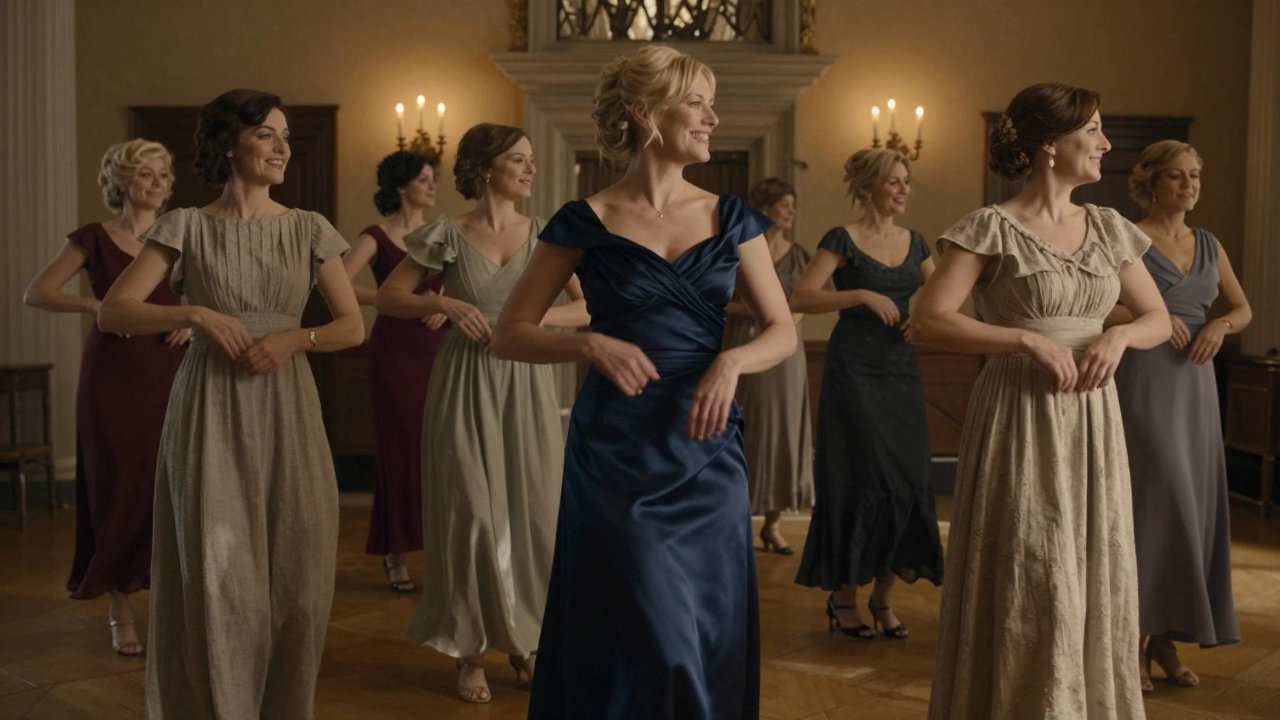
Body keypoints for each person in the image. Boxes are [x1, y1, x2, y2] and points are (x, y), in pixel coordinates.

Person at [491, 45, 796, 719]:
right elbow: (510, 332)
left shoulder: (733, 218)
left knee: (704, 628)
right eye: (697, 102)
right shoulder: (584, 221)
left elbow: (782, 329)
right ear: (644, 111)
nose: (713, 117)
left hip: (707, 447)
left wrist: (730, 362)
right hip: (617, 452)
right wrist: (589, 342)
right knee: (641, 629)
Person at [98, 89, 364, 719]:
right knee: (217, 578)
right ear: (228, 143)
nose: (282, 148)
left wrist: (293, 340)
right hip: (208, 411)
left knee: (299, 580)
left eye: (286, 137)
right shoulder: (184, 225)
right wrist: (195, 312)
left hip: (289, 410)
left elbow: (353, 326)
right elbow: (114, 311)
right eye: (268, 134)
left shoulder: (308, 228)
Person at [912, 83, 1170, 719]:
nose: (1107, 143)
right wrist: (1023, 338)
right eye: (1094, 131)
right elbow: (929, 319)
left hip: (1092, 415)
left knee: (1089, 562)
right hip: (1019, 414)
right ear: (1050, 145)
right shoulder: (989, 227)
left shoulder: (1110, 226)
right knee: (1032, 561)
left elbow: (1158, 317)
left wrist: (1121, 334)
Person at [377, 123, 588, 704]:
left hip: (527, 381)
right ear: (485, 169)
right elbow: (390, 297)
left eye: (530, 159)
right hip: (463, 383)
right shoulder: (446, 234)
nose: (530, 168)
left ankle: (530, 643)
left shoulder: (547, 234)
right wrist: (442, 300)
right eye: (518, 160)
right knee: (468, 512)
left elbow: (588, 308)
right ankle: (469, 648)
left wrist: (530, 325)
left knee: (533, 511)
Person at [23, 139, 187, 657]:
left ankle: (168, 600)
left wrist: (194, 323)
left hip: (170, 371)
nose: (157, 184)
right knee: (120, 484)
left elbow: (209, 296)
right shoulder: (94, 237)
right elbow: (38, 292)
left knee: (169, 485)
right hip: (113, 377)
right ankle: (120, 605)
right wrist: (96, 302)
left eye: (163, 175)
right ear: (121, 182)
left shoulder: (179, 238)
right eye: (146, 175)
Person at [1111, 140, 1250, 690]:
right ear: (1151, 182)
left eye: (1195, 176)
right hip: (1145, 377)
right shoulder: (1125, 237)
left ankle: (1165, 640)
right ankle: (1129, 643)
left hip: (1196, 384)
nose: (1189, 186)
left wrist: (1220, 326)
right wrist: (1147, 314)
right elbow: (1097, 301)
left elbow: (1241, 307)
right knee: (1154, 502)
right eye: (1176, 176)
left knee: (1191, 506)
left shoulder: (1209, 243)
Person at [791, 147, 944, 640]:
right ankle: (843, 597)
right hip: (852, 369)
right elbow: (801, 296)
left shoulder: (917, 242)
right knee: (862, 476)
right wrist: (858, 294)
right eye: (894, 182)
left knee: (905, 480)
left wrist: (924, 321)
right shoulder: (843, 239)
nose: (903, 191)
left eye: (907, 182)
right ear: (869, 187)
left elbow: (943, 299)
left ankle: (883, 598)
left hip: (899, 369)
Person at [342, 150, 447, 593]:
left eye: (433, 179)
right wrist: (389, 298)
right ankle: (395, 551)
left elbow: (463, 287)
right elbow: (338, 281)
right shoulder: (377, 235)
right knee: (400, 448)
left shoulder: (443, 234)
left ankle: (442, 551)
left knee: (440, 449)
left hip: (440, 350)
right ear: (403, 186)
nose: (433, 186)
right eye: (425, 179)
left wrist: (446, 310)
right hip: (395, 354)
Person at [723, 178, 815, 554]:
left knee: (783, 428)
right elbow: (717, 297)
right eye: (785, 205)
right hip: (744, 342)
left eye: (793, 205)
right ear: (765, 208)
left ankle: (773, 525)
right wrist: (751, 311)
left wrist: (781, 323)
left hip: (786, 352)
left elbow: (806, 303)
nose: (791, 211)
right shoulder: (738, 247)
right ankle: (736, 519)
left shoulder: (799, 255)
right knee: (744, 426)